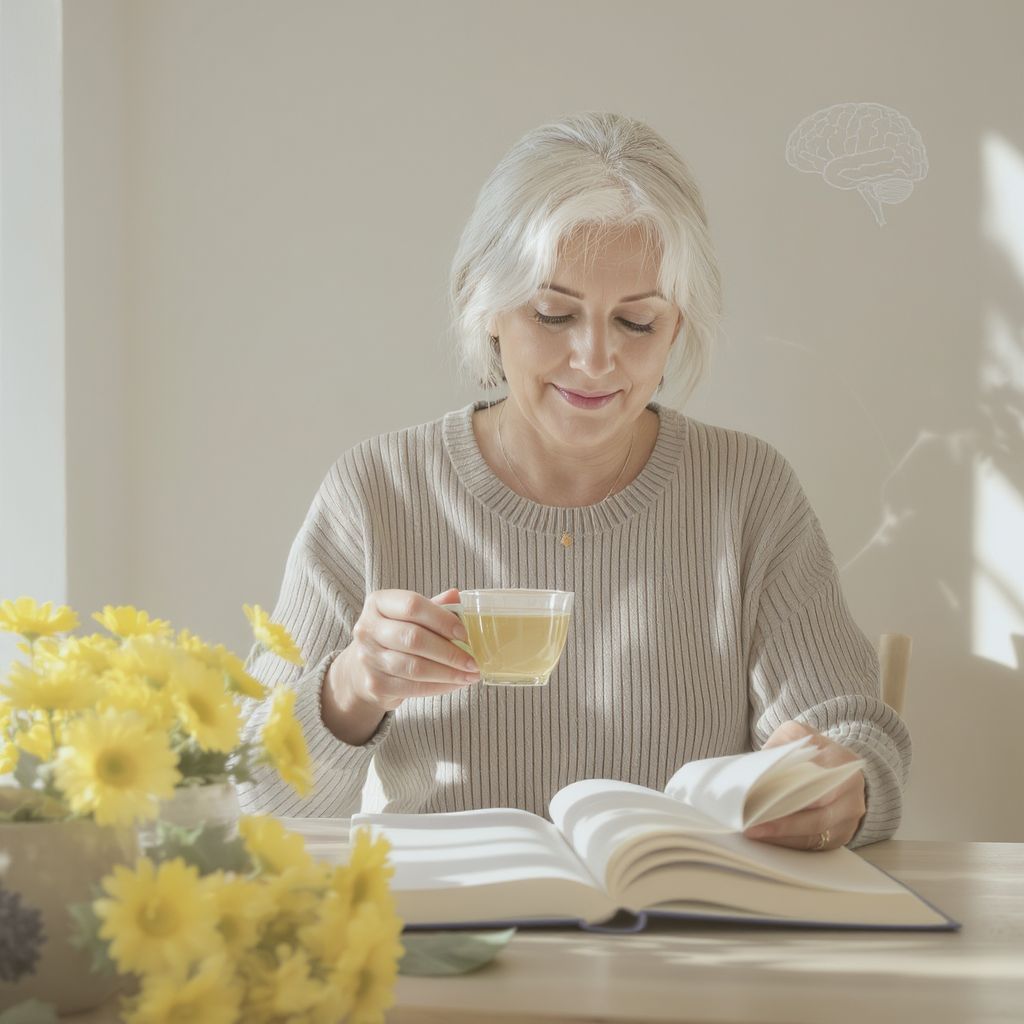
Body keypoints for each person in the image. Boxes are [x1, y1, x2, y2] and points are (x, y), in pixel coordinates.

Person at [237, 111, 911, 852]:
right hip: (440, 945)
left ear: (677, 327)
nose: (595, 359)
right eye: (554, 314)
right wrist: (353, 688)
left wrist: (844, 786)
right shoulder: (375, 492)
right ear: (488, 310)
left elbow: (852, 738)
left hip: (683, 946)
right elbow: (259, 793)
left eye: (637, 324)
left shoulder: (747, 493)